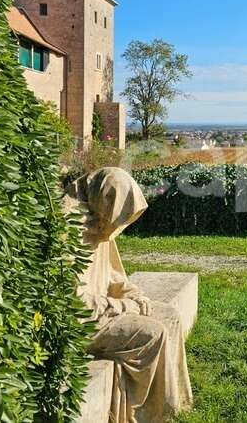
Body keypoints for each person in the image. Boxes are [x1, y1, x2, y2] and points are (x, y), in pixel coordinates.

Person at [63, 167, 192, 423]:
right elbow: (74, 303)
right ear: (107, 200)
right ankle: (147, 415)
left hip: (105, 308)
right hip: (82, 321)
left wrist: (135, 295)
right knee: (152, 334)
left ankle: (173, 407)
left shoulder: (98, 216)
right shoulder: (68, 229)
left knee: (170, 316)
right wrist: (123, 306)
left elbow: (111, 274)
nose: (118, 225)